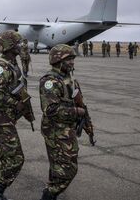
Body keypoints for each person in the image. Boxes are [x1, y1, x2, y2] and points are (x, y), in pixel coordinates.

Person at [39, 44, 93, 200]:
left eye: (72, 59)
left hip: (67, 129)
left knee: (58, 166)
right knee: (68, 169)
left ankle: (51, 192)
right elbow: (50, 110)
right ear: (57, 60)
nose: (72, 62)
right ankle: (49, 194)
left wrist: (87, 122)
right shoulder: (50, 81)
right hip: (55, 130)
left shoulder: (70, 79)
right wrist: (76, 112)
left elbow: (80, 103)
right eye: (68, 59)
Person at [0, 31, 33, 200]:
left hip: (6, 117)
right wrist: (15, 104)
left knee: (5, 155)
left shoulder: (12, 63)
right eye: (18, 44)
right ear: (10, 46)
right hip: (0, 118)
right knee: (16, 158)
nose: (22, 46)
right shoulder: (2, 66)